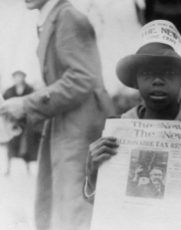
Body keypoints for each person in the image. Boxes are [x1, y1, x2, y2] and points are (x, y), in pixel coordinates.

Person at [84, 20, 181, 230]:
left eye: (168, 73)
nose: (157, 81)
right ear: (135, 81)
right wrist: (92, 171)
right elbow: (99, 199)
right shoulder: (120, 128)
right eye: (147, 74)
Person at [0, 0, 114, 230]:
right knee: (59, 209)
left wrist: (26, 104)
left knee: (72, 211)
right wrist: (23, 109)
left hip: (80, 129)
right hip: (68, 123)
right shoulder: (54, 17)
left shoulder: (68, 17)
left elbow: (82, 79)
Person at [3, 70, 40, 175]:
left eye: (20, 76)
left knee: (25, 146)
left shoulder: (30, 90)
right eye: (15, 76)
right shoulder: (9, 91)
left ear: (24, 77)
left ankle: (27, 168)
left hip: (26, 123)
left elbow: (35, 103)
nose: (18, 78)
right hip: (12, 123)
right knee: (11, 146)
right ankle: (8, 169)